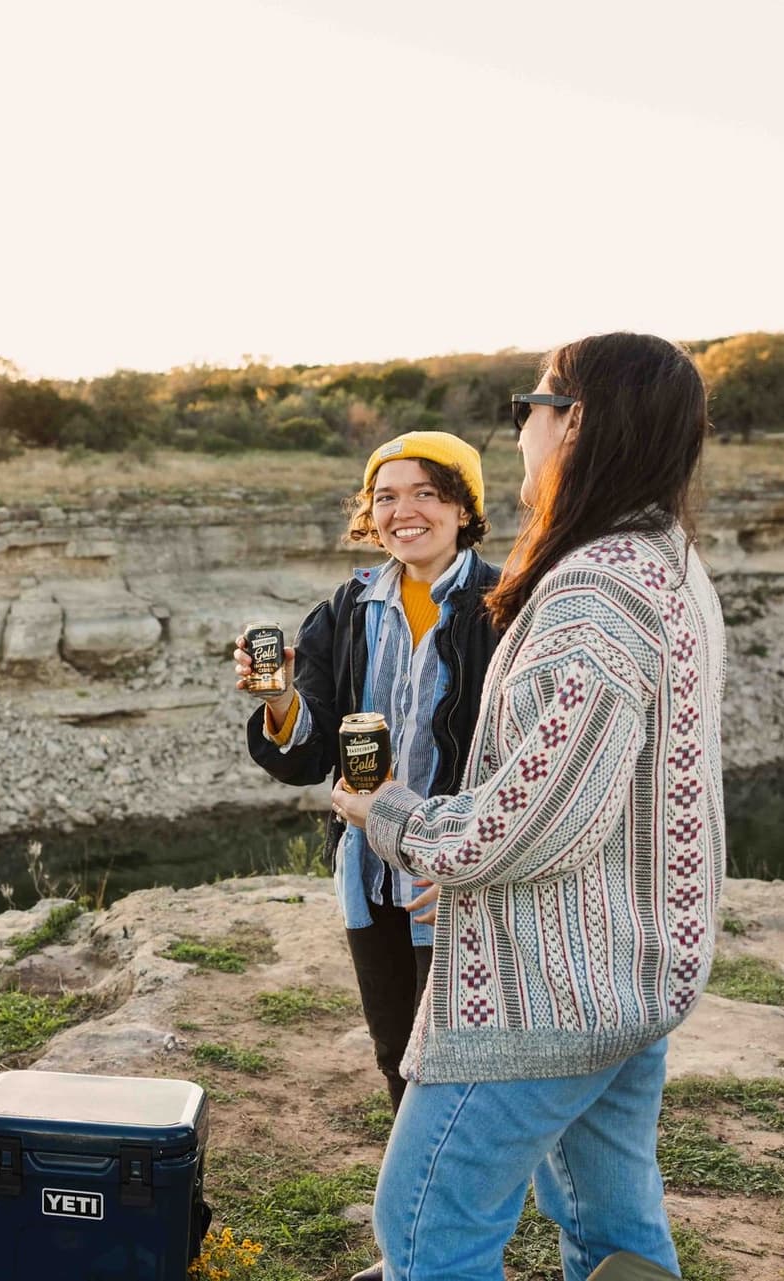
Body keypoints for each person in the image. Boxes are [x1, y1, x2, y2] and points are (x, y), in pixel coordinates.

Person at [331, 332, 726, 1281]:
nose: (521, 431)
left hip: (547, 992)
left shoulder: (596, 590)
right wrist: (469, 868)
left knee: (428, 1225)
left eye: (528, 408)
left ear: (574, 422)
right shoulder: (667, 562)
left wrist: (392, 817)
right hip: (625, 973)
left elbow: (529, 820)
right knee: (610, 1224)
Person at [238, 429, 501, 1281]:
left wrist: (467, 863)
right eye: (386, 496)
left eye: (426, 492)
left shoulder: (506, 604)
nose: (404, 510)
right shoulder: (346, 609)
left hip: (455, 880)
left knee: (452, 1076)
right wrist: (279, 700)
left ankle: (449, 1252)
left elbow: (520, 757)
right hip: (372, 877)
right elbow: (307, 751)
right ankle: (417, 1255)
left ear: (464, 509)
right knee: (399, 1057)